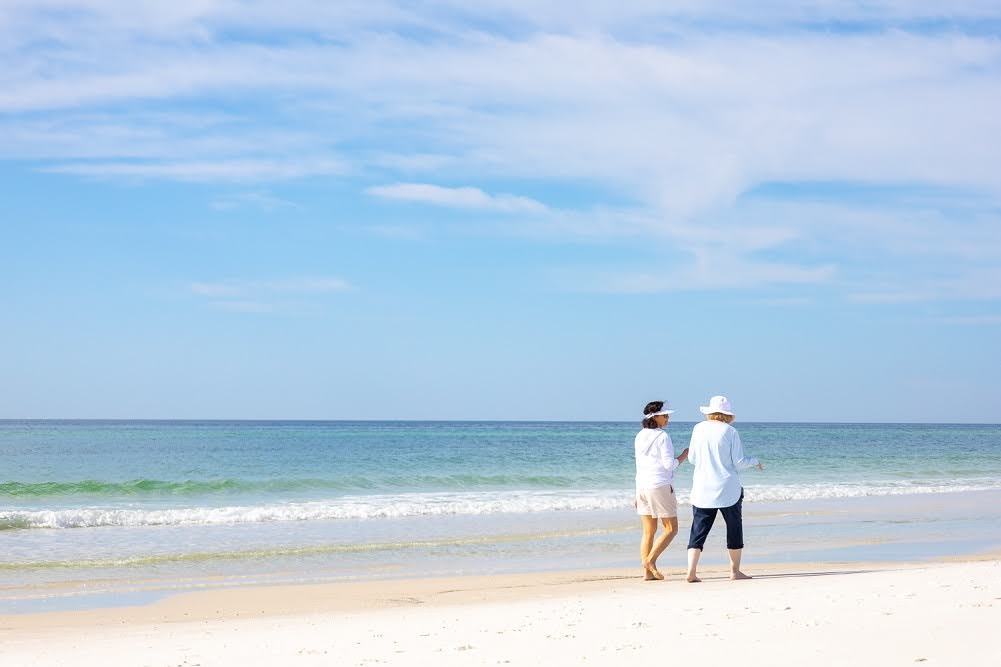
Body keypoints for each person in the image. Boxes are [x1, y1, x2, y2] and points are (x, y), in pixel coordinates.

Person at [685, 395, 764, 582]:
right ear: (727, 414)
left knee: (698, 529)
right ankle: (735, 572)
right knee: (734, 528)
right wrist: (755, 461)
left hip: (702, 488)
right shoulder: (730, 431)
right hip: (728, 488)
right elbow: (738, 462)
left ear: (710, 412)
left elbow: (692, 459)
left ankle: (691, 571)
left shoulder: (698, 429)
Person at [634, 400, 689, 581]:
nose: (668, 418)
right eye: (665, 415)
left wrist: (636, 492)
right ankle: (649, 561)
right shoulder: (663, 436)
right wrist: (683, 456)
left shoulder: (640, 435)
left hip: (642, 486)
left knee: (648, 530)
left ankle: (647, 573)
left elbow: (640, 465)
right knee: (671, 528)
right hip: (659, 485)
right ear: (655, 417)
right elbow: (669, 465)